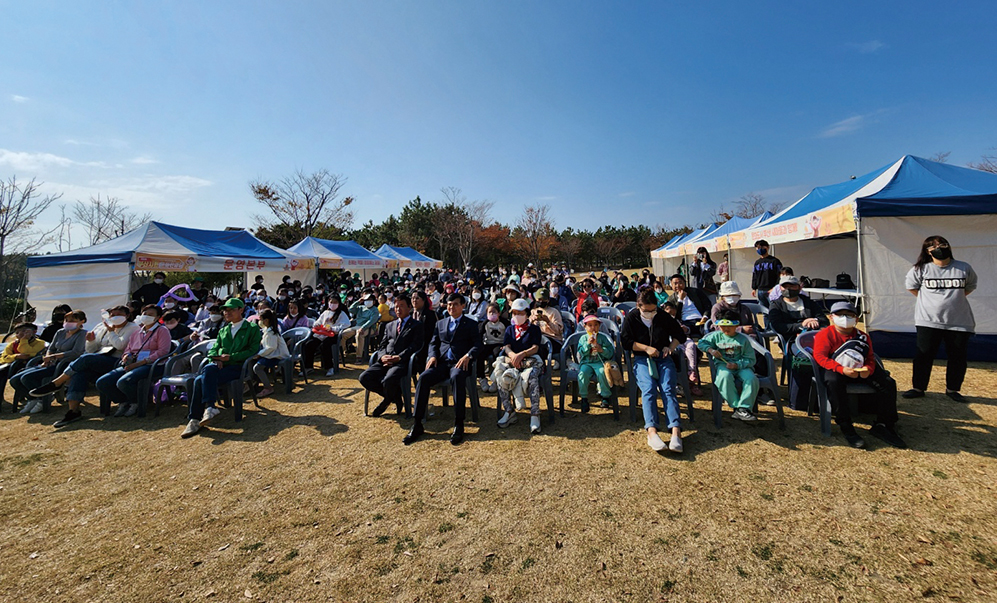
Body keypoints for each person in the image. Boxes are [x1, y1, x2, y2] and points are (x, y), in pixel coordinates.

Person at [812, 301, 905, 449]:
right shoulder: (825, 335)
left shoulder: (863, 336)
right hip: (835, 367)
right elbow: (820, 357)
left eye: (850, 315)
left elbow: (870, 357)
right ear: (831, 317)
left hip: (859, 368)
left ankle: (884, 423)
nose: (845, 318)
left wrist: (868, 368)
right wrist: (841, 369)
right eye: (840, 314)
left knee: (888, 383)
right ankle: (845, 424)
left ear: (856, 319)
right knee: (834, 382)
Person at [29, 307, 140, 425]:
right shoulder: (101, 326)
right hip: (98, 359)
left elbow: (120, 345)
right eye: (112, 314)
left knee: (85, 359)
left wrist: (111, 331)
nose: (115, 317)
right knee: (79, 373)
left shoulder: (132, 328)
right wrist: (91, 341)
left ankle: (57, 383)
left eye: (119, 314)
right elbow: (90, 349)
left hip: (116, 361)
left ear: (127, 315)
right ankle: (73, 411)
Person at [903, 235, 978, 402]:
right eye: (934, 246)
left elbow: (970, 286)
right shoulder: (920, 269)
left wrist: (953, 300)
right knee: (923, 355)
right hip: (928, 321)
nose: (940, 249)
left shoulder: (964, 267)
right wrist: (930, 303)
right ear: (927, 251)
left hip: (959, 321)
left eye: (943, 245)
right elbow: (912, 288)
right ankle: (918, 387)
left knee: (957, 357)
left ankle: (953, 389)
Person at [404, 293, 482, 446]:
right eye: (449, 304)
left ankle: (459, 423)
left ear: (463, 306)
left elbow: (478, 344)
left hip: (460, 363)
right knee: (424, 377)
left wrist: (468, 355)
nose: (451, 307)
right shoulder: (440, 323)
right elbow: (433, 343)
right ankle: (417, 423)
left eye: (455, 304)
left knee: (457, 377)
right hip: (441, 363)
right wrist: (433, 355)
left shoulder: (471, 324)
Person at [180, 298, 262, 438]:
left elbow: (252, 350)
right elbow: (214, 349)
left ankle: (197, 417)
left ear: (241, 310)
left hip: (238, 367)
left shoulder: (252, 328)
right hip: (220, 367)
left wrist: (231, 357)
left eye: (231, 310)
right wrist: (216, 358)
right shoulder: (223, 330)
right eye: (225, 310)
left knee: (200, 379)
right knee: (204, 374)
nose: (227, 313)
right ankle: (207, 410)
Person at [620, 288, 687, 453]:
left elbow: (680, 334)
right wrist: (646, 348)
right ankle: (651, 431)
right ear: (638, 306)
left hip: (663, 358)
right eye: (646, 311)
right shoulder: (631, 317)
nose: (650, 314)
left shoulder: (662, 316)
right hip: (642, 359)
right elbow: (626, 342)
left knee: (668, 388)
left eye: (653, 310)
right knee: (648, 388)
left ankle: (676, 431)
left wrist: (670, 347)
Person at [95, 304, 172, 417]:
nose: (146, 316)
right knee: (102, 382)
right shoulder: (137, 332)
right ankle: (123, 401)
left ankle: (136, 402)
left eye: (151, 315)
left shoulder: (162, 330)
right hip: (133, 364)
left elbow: (163, 351)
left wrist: (142, 362)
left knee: (124, 382)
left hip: (153, 365)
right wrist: (126, 356)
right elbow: (128, 349)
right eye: (145, 313)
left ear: (157, 317)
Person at [13, 311, 88, 416]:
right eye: (66, 320)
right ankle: (32, 399)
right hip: (51, 362)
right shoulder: (60, 332)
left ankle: (42, 399)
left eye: (72, 320)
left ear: (82, 321)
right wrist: (47, 358)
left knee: (26, 378)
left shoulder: (83, 334)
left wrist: (54, 356)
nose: (68, 322)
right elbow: (51, 348)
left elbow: (76, 352)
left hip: (63, 364)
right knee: (14, 380)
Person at [362, 294, 424, 417]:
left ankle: (386, 401)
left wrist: (399, 357)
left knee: (388, 380)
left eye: (402, 306)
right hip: (385, 360)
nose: (398, 309)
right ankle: (395, 397)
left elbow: (415, 346)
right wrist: (382, 357)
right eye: (396, 307)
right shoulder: (389, 325)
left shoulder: (417, 325)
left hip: (402, 362)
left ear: (409, 307)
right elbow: (382, 345)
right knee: (364, 377)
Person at [697, 310, 760, 422]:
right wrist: (711, 350)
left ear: (736, 325)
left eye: (729, 326)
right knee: (724, 378)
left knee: (751, 379)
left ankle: (744, 407)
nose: (725, 329)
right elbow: (701, 343)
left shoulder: (743, 340)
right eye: (722, 326)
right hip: (723, 365)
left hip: (741, 366)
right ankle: (736, 406)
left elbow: (750, 359)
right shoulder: (715, 336)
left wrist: (737, 365)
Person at [495, 298, 545, 434]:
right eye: (514, 313)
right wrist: (513, 355)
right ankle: (509, 411)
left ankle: (535, 414)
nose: (517, 316)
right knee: (500, 374)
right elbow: (507, 346)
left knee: (533, 376)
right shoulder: (510, 329)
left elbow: (535, 347)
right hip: (512, 361)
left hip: (530, 361)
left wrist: (522, 354)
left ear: (527, 313)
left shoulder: (534, 329)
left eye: (520, 313)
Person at [302, 295, 352, 376]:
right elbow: (318, 322)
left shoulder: (342, 314)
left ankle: (330, 367)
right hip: (321, 334)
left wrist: (333, 328)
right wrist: (317, 325)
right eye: (331, 302)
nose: (333, 304)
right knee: (309, 344)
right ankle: (308, 367)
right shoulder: (325, 312)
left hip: (333, 336)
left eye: (335, 302)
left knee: (325, 345)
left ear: (339, 303)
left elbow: (346, 325)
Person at [768, 276, 828, 341]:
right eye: (785, 287)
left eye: (792, 286)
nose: (788, 289)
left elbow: (824, 320)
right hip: (790, 340)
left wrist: (815, 321)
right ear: (780, 288)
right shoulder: (776, 305)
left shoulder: (809, 302)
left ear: (799, 287)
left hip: (812, 337)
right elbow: (778, 326)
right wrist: (802, 325)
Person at [576, 314, 615, 412]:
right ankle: (584, 397)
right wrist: (587, 345)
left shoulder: (603, 338)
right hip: (587, 362)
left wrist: (601, 350)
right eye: (590, 325)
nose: (593, 327)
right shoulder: (583, 338)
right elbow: (581, 352)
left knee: (602, 372)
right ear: (585, 327)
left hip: (599, 362)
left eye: (596, 325)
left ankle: (605, 396)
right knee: (583, 374)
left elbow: (610, 352)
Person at [0, 322, 46, 405]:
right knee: (1, 372)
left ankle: (31, 398)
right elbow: (4, 358)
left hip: (31, 367)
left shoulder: (40, 343)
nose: (20, 334)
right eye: (17, 332)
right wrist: (16, 356)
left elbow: (26, 351)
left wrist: (24, 340)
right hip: (13, 367)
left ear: (34, 332)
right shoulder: (12, 344)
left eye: (25, 331)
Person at [252, 309, 290, 398]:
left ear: (266, 320)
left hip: (276, 356)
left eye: (261, 319)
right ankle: (254, 383)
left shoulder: (271, 333)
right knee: (252, 362)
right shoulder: (267, 330)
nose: (259, 322)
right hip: (271, 354)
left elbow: (271, 347)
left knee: (257, 368)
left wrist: (259, 354)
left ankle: (268, 387)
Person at [530, 288, 565, 357]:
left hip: (553, 340)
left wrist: (548, 321)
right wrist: (531, 321)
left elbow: (558, 331)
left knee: (540, 348)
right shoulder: (533, 311)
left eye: (544, 300)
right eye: (539, 299)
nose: (541, 301)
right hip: (539, 338)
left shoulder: (554, 312)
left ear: (548, 300)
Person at [751, 240, 782, 310]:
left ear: (767, 247)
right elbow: (755, 275)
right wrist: (754, 288)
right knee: (764, 310)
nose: (760, 249)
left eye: (762, 247)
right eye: (758, 248)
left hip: (771, 289)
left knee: (774, 309)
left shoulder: (774, 261)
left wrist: (775, 288)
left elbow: (780, 275)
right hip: (760, 290)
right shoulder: (757, 262)